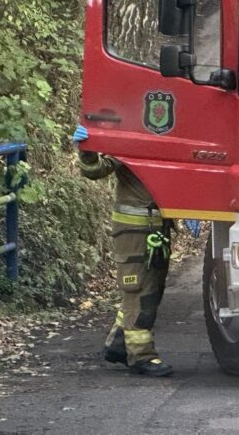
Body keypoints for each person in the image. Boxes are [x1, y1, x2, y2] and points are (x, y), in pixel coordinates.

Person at [72, 125, 174, 377]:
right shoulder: (130, 139)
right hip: (134, 231)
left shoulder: (167, 137)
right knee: (139, 291)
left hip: (156, 229)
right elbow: (95, 170)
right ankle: (141, 356)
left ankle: (118, 345)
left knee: (151, 289)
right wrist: (87, 149)